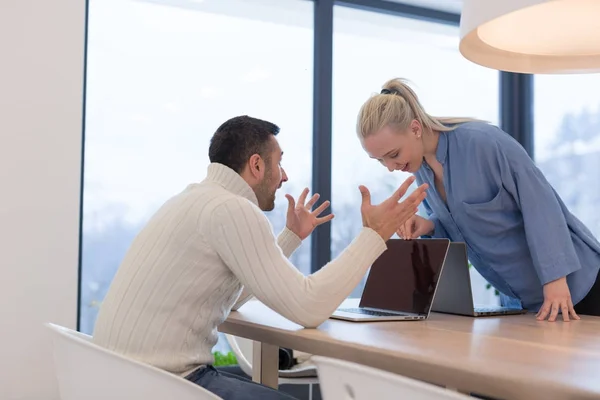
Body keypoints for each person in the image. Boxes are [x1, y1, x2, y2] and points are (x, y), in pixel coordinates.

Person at [92, 115, 428, 400]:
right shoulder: (232, 209)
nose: (284, 176)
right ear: (256, 164)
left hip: (114, 379)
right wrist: (374, 234)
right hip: (164, 384)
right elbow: (308, 308)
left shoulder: (193, 199)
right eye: (279, 162)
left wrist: (291, 237)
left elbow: (230, 295)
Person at [355, 78, 600, 322]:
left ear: (416, 129)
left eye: (393, 155)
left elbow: (540, 204)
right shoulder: (420, 169)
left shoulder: (484, 143)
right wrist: (427, 225)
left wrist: (555, 279)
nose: (389, 167)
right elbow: (462, 227)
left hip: (576, 288)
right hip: (524, 303)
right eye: (380, 160)